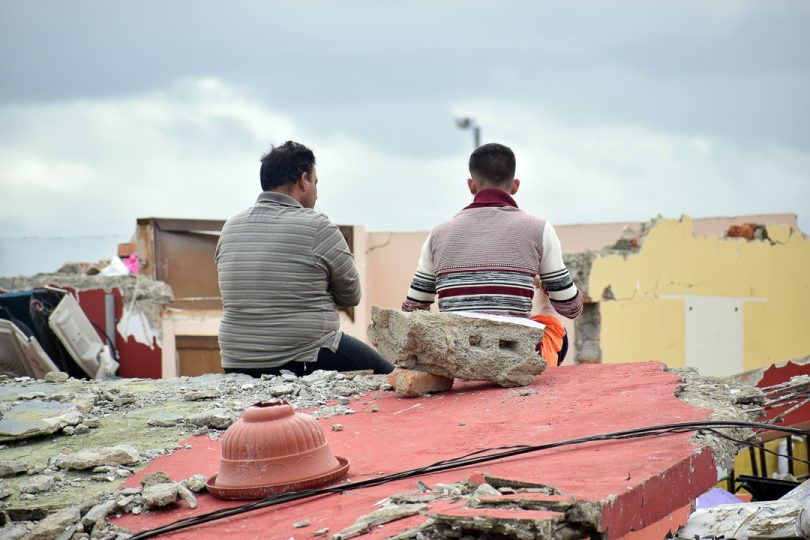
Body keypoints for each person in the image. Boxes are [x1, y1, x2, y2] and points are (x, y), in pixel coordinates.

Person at [216, 141, 394, 377]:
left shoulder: (230, 228)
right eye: (315, 182)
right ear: (303, 180)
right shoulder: (318, 226)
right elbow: (351, 296)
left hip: (237, 361)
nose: (317, 192)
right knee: (390, 375)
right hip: (305, 356)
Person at [401, 142, 582, 365]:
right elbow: (571, 308)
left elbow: (413, 309)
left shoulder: (438, 234)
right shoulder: (539, 229)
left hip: (457, 360)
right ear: (515, 186)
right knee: (550, 317)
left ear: (471, 185)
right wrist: (544, 289)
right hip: (516, 360)